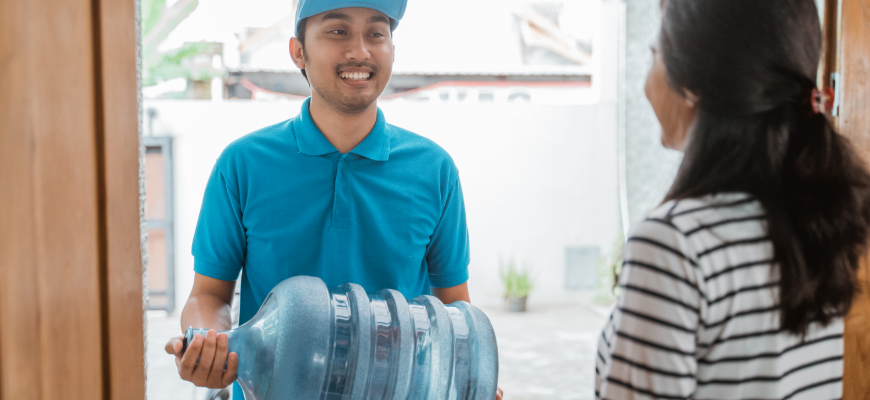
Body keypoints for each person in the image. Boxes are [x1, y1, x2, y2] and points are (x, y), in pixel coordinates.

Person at [163, 1, 502, 399]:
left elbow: (455, 311)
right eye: (338, 31)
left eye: (376, 33)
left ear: (392, 50)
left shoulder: (434, 170)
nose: (360, 50)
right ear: (298, 52)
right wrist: (211, 344)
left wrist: (470, 383)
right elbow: (209, 294)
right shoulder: (243, 165)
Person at [595, 0, 870, 399]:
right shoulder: (820, 224)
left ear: (692, 87)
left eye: (654, 55)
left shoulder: (674, 246)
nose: (645, 82)